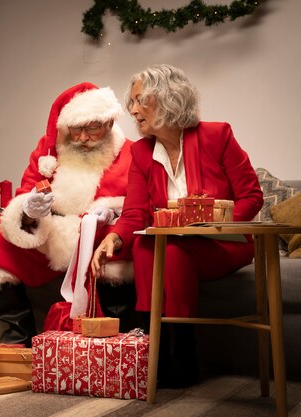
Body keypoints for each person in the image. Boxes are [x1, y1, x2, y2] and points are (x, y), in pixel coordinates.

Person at [91, 64, 264, 387]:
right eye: (132, 102)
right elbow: (135, 213)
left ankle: (184, 349)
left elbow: (251, 197)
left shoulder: (217, 135)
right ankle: (153, 345)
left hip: (224, 244)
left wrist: (212, 227)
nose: (132, 110)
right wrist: (113, 239)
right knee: (147, 244)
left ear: (168, 99)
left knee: (172, 247)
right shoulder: (141, 153)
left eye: (140, 101)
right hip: (174, 247)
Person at [0, 82, 135, 346]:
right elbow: (25, 192)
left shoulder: (130, 152)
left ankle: (115, 343)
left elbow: (138, 206)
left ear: (108, 123)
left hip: (100, 236)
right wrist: (29, 211)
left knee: (124, 247)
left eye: (92, 128)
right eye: (76, 129)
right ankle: (19, 341)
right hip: (53, 234)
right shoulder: (48, 151)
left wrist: (113, 212)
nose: (83, 137)